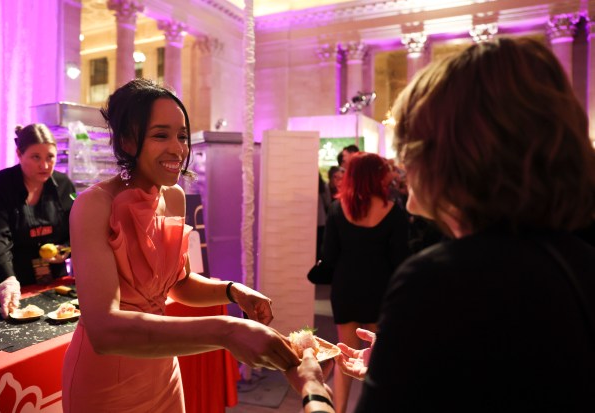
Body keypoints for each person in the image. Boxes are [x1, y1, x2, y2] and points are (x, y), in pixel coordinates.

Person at [286, 37, 595, 412]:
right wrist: (405, 360)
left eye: (412, 142)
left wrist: (313, 389)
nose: (401, 161)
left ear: (452, 155)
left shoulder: (436, 282)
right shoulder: (578, 261)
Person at [62, 78, 299, 413]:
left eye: (182, 135)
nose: (178, 148)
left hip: (162, 373)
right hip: (106, 385)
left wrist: (233, 291)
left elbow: (180, 284)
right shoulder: (94, 205)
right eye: (161, 135)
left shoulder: (173, 197)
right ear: (128, 141)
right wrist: (226, 330)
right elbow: (103, 329)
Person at [320, 151, 410, 413]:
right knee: (379, 356)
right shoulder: (393, 212)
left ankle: (338, 411)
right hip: (381, 291)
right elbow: (400, 259)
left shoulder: (338, 209)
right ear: (376, 176)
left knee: (344, 357)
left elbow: (328, 256)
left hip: (346, 289)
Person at [0, 123, 75, 318]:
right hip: (2, 274)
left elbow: (76, 229)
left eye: (50, 157)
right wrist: (8, 278)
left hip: (48, 278)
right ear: (19, 154)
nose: (45, 165)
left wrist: (65, 249)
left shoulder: (64, 185)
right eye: (36, 157)